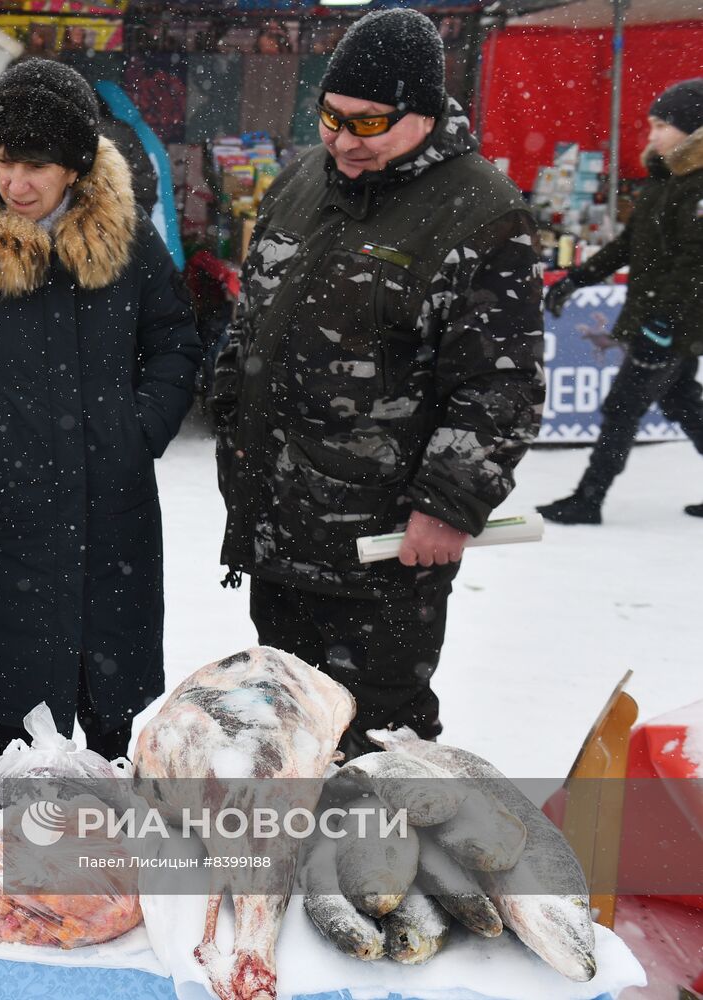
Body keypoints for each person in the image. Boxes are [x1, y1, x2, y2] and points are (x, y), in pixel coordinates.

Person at [210, 9, 545, 757]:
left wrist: (449, 506)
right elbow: (251, 320)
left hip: (384, 552)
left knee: (379, 746)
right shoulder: (300, 182)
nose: (340, 140)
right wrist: (232, 417)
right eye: (330, 118)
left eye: (368, 125)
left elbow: (500, 385)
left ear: (424, 114)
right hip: (278, 529)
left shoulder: (479, 212)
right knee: (286, 735)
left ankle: (378, 871)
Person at [0, 59, 200, 761]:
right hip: (9, 506)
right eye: (5, 162)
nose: (16, 183)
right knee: (17, 715)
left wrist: (139, 432)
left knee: (110, 707)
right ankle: (21, 852)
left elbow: (173, 341)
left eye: (36, 165)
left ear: (73, 166)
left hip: (114, 501)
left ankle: (100, 854)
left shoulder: (127, 238)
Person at [538, 78, 703, 524]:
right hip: (659, 315)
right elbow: (629, 244)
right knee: (681, 399)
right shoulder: (668, 177)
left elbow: (694, 265)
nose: (651, 135)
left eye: (661, 125)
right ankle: (588, 498)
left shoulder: (697, 186)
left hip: (671, 320)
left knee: (623, 405)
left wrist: (663, 325)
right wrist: (576, 278)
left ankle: (589, 499)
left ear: (692, 129)